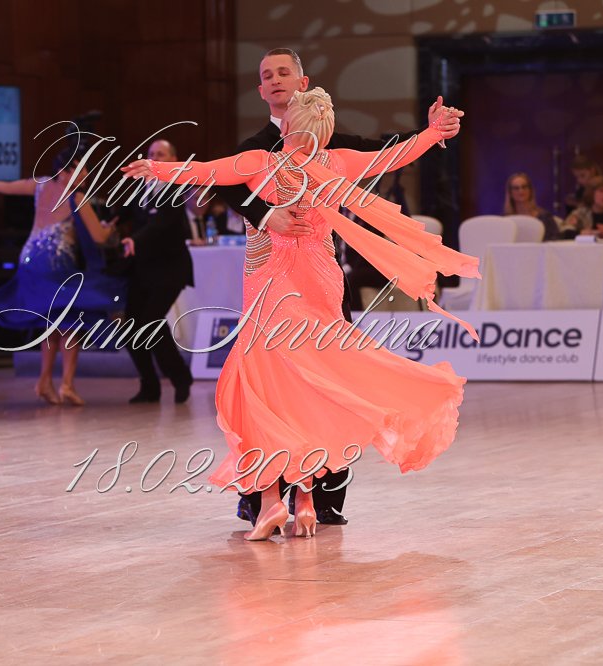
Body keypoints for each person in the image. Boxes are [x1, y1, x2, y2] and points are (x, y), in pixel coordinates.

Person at [123, 88, 478, 540]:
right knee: (310, 391)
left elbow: (204, 172)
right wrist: (431, 132)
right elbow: (393, 156)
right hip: (321, 283)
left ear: (287, 125)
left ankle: (272, 501)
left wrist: (153, 168)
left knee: (263, 392)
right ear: (326, 131)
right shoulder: (338, 162)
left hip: (272, 287)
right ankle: (305, 504)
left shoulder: (259, 162)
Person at [219, 47, 463, 527]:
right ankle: (263, 497)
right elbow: (222, 184)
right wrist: (265, 214)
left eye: (284, 72)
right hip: (273, 290)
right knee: (267, 387)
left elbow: (384, 150)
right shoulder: (254, 148)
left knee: (335, 383)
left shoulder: (332, 143)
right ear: (260, 89)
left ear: (303, 82)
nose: (275, 79)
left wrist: (430, 131)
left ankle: (325, 500)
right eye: (266, 75)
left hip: (321, 286)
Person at [0, 148, 126, 405]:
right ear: (63, 172)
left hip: (29, 261)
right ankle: (66, 384)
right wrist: (110, 230)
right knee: (70, 320)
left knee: (53, 322)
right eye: (80, 170)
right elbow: (98, 237)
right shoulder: (77, 197)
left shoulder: (41, 185)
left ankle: (45, 381)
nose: (85, 175)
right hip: (55, 265)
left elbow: (8, 187)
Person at [118, 139, 194, 404]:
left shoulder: (176, 188)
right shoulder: (139, 186)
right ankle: (149, 385)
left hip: (170, 269)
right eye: (151, 154)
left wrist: (135, 239)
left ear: (173, 159)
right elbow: (123, 213)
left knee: (151, 322)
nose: (154, 158)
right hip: (142, 269)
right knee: (131, 327)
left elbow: (161, 224)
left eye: (160, 154)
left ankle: (180, 377)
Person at [503, 172, 561, 241]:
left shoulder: (545, 218)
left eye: (524, 187)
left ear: (530, 190)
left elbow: (555, 240)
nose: (521, 191)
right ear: (510, 193)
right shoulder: (506, 221)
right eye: (516, 188)